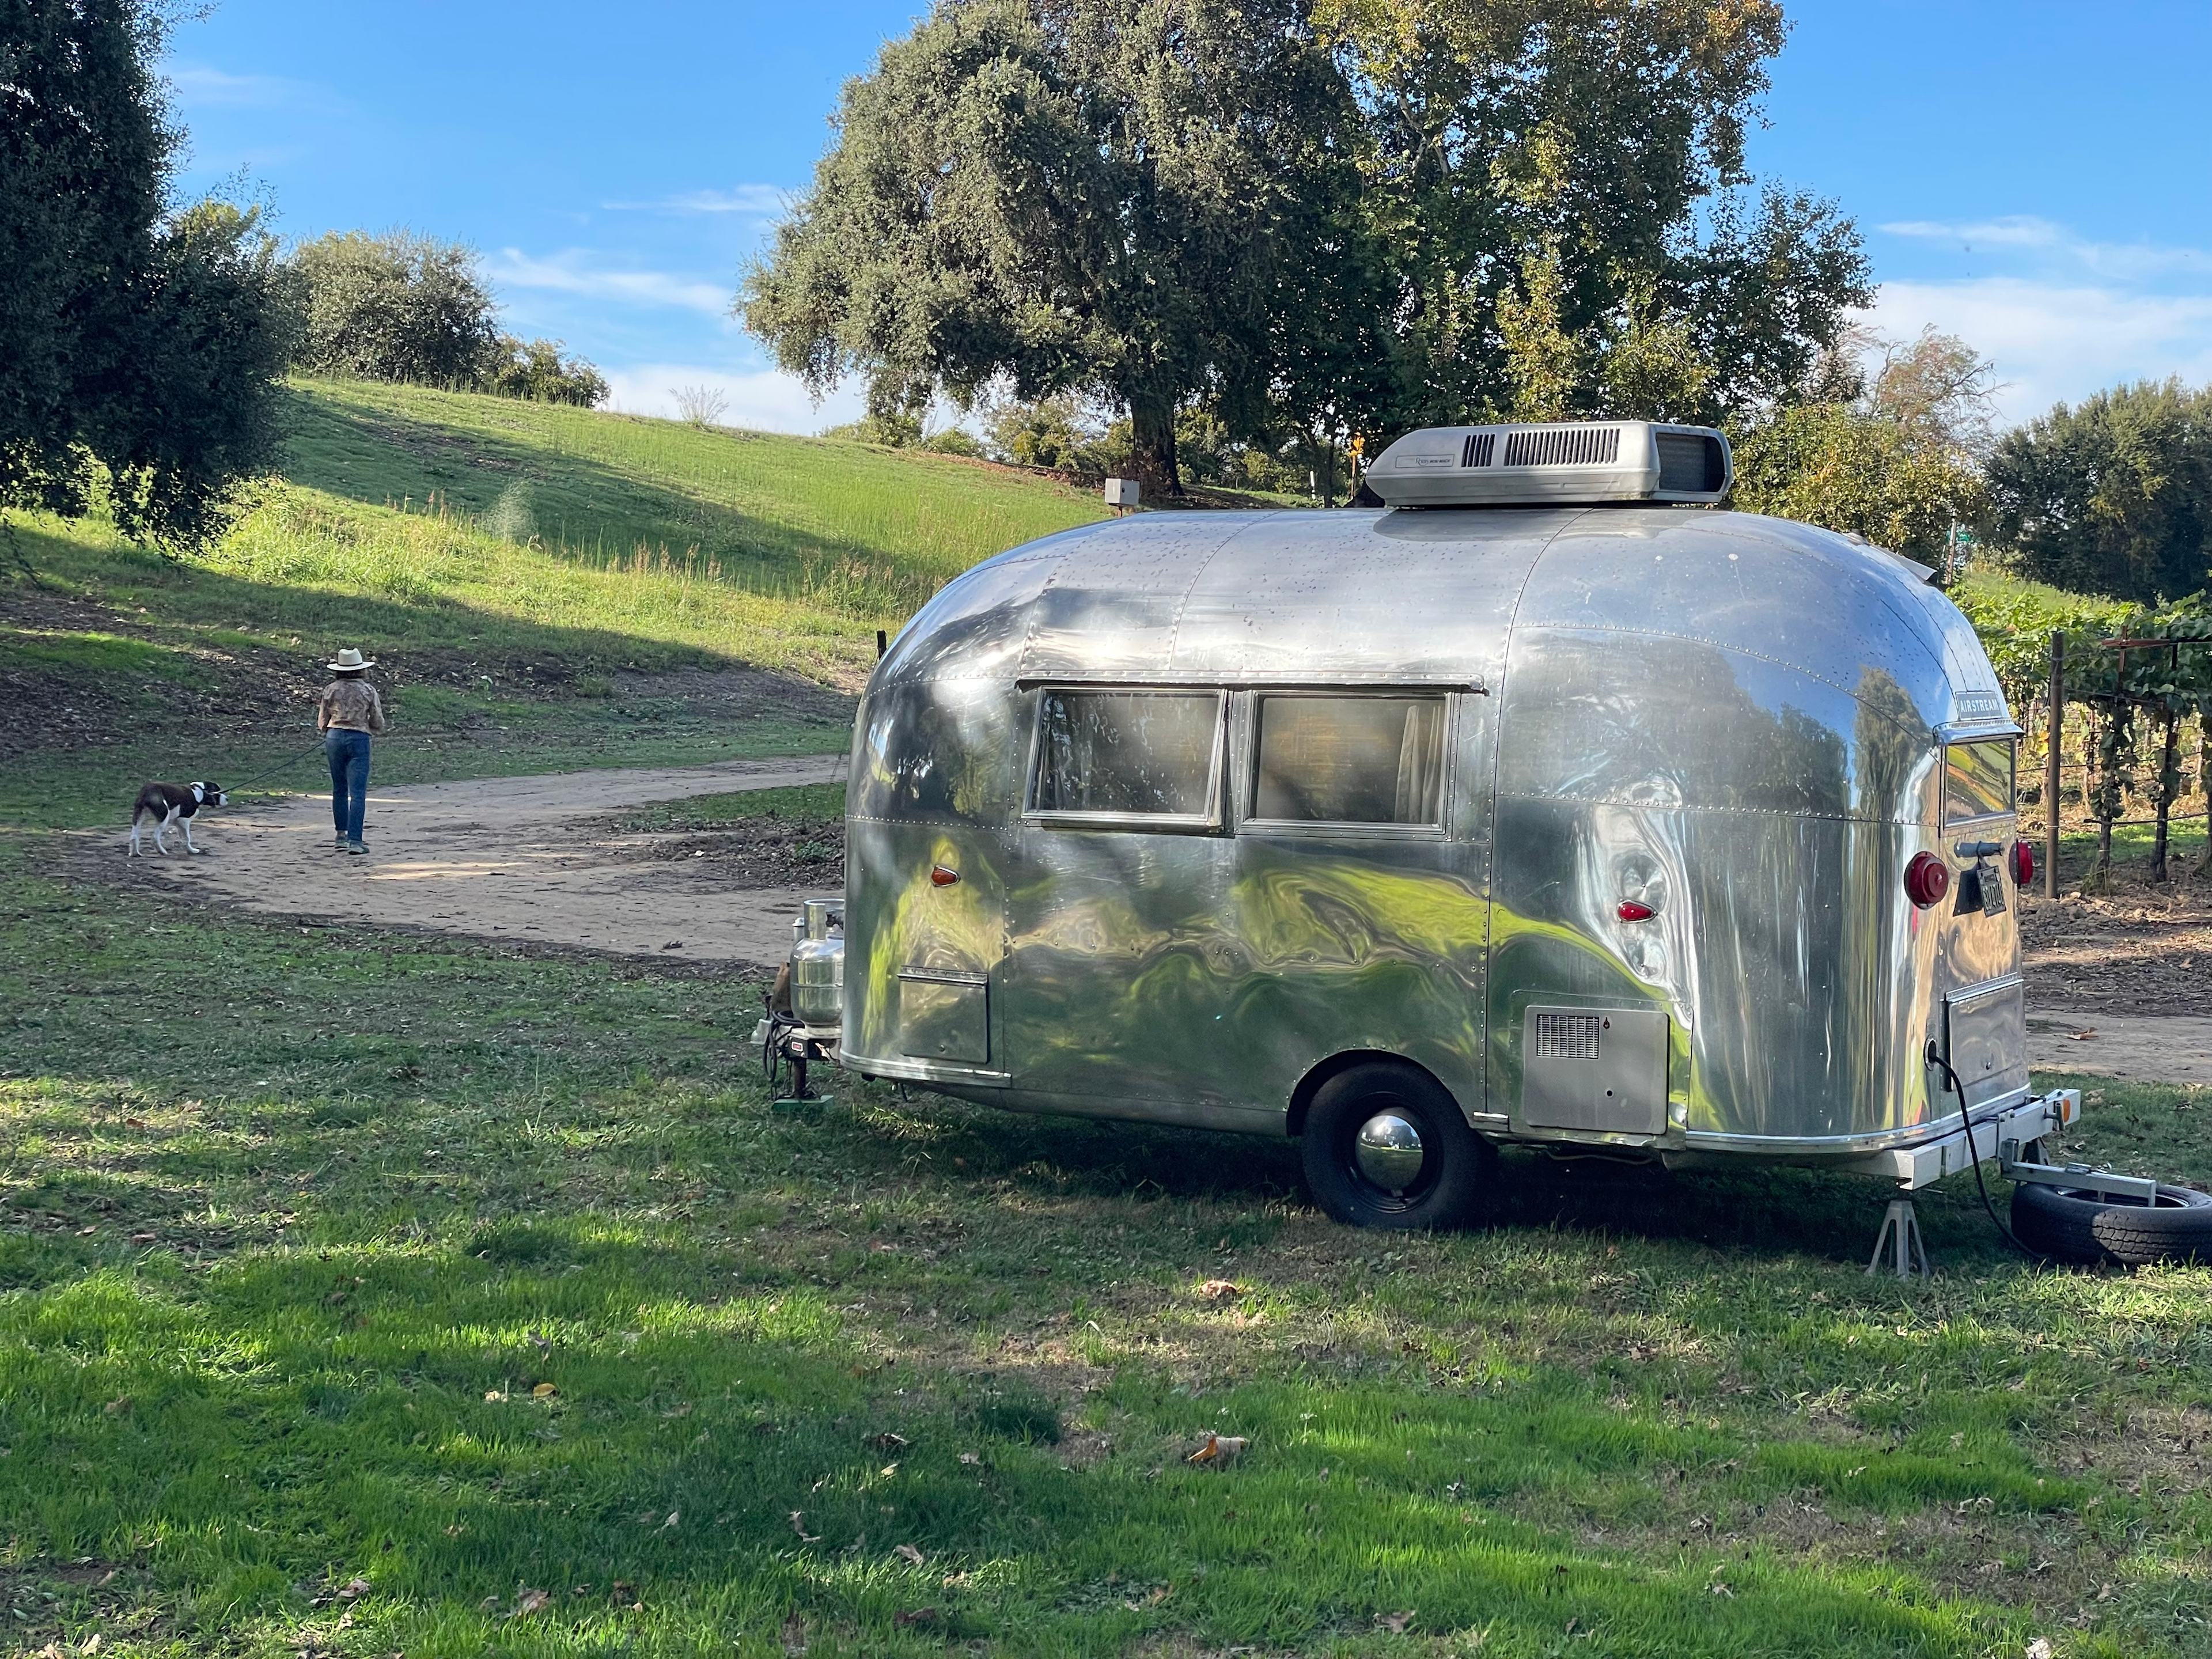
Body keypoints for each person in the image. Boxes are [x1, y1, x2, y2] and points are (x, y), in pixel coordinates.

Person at [317, 647, 387, 854]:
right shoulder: (367, 690)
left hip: (335, 737)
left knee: (339, 788)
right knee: (358, 793)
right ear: (361, 670)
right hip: (359, 738)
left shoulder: (330, 690)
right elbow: (377, 720)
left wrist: (329, 728)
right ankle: (356, 840)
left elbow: (322, 720)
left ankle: (341, 835)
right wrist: (372, 728)